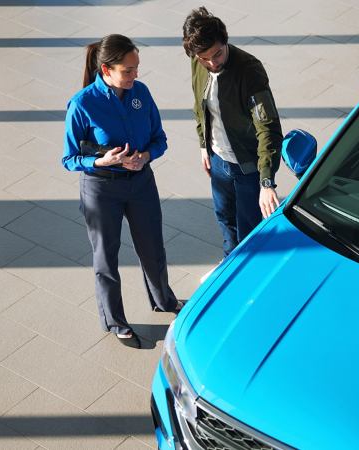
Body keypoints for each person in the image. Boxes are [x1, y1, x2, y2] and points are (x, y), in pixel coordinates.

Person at [63, 34, 181, 349]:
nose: (135, 75)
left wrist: (147, 155)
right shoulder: (82, 104)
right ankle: (115, 321)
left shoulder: (140, 93)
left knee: (153, 247)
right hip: (101, 189)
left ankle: (164, 301)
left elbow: (160, 138)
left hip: (141, 183)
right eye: (128, 70)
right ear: (107, 70)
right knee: (106, 257)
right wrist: (103, 159)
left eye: (136, 68)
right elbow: (70, 159)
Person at [182, 7, 284, 261]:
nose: (212, 63)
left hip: (248, 167)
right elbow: (199, 106)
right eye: (205, 58)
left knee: (249, 229)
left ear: (225, 38)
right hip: (218, 161)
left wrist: (266, 180)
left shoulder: (250, 70)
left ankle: (244, 275)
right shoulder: (198, 62)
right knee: (225, 218)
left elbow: (268, 127)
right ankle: (229, 263)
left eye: (217, 54)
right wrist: (204, 145)